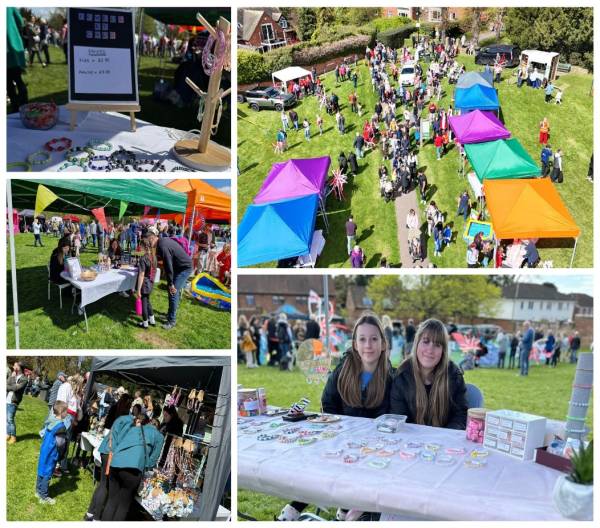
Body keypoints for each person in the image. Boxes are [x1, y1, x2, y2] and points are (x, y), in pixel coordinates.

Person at [277, 313, 393, 522]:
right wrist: (340, 427)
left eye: (374, 339)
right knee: (321, 468)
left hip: (373, 445)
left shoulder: (390, 376)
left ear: (383, 344)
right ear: (355, 344)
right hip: (341, 435)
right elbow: (328, 401)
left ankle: (348, 508)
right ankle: (293, 509)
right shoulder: (344, 369)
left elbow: (392, 413)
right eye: (363, 339)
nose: (368, 345)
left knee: (361, 470)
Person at [390, 319, 468, 429]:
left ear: (443, 350)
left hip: (444, 441)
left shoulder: (454, 376)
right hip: (411, 441)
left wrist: (442, 438)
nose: (430, 350)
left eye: (437, 345)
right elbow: (399, 419)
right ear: (417, 344)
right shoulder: (402, 377)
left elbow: (460, 416)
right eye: (426, 342)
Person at [100, 412, 164, 521]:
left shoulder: (134, 429)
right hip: (133, 470)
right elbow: (152, 460)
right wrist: (145, 466)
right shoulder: (159, 436)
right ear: (158, 428)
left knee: (112, 500)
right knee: (123, 504)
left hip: (115, 464)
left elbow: (120, 442)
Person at [85, 393, 133, 520]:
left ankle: (90, 512)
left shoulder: (117, 410)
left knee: (102, 484)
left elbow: (108, 425)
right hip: (111, 452)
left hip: (106, 447)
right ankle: (96, 517)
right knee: (105, 486)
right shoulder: (128, 419)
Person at [147, 228, 193, 330]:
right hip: (178, 267)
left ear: (152, 238)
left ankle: (172, 320)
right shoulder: (161, 243)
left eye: (149, 241)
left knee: (173, 292)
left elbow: (168, 265)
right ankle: (169, 314)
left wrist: (171, 283)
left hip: (184, 268)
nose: (149, 244)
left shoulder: (162, 245)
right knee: (171, 290)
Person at [36, 401, 68, 504]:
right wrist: (61, 455)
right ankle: (44, 496)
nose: (67, 413)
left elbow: (42, 433)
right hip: (52, 453)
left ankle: (38, 491)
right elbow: (60, 443)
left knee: (41, 470)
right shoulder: (61, 426)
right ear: (62, 412)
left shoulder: (50, 420)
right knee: (47, 473)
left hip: (44, 450)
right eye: (66, 411)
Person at [7, 7, 29, 114]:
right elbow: (20, 22)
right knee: (18, 79)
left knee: (7, 82)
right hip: (12, 48)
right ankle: (24, 105)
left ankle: (15, 107)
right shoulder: (9, 6)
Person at [134, 237, 157, 329]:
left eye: (140, 246)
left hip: (145, 283)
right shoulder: (153, 256)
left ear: (143, 247)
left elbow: (141, 275)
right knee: (147, 301)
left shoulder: (143, 259)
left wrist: (138, 289)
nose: (140, 248)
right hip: (151, 282)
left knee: (144, 302)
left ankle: (145, 323)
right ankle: (152, 320)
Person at [7, 361, 28, 444]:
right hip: (7, 399)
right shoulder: (13, 375)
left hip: (14, 401)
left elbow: (16, 389)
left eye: (15, 365)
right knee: (6, 419)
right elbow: (6, 385)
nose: (13, 366)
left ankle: (13, 437)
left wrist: (12, 379)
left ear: (20, 367)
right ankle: (8, 434)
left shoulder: (24, 379)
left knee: (10, 419)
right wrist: (11, 378)